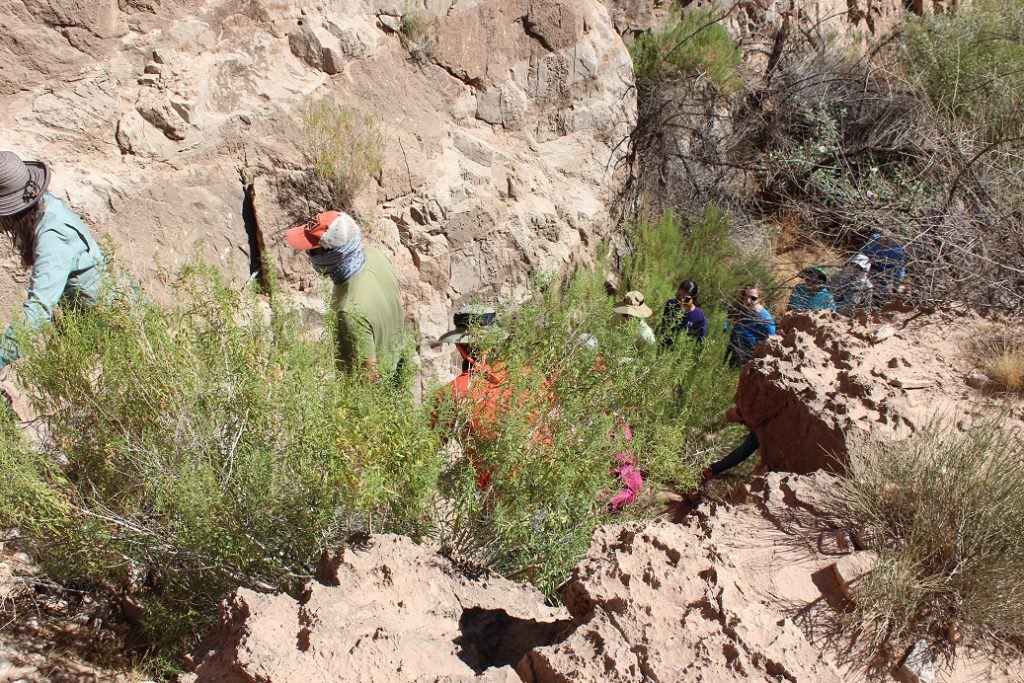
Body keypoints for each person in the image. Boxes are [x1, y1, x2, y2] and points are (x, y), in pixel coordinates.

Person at [0, 152, 105, 379]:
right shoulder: (45, 205)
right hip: (84, 319)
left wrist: (1, 357)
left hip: (113, 325)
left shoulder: (52, 238)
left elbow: (38, 309)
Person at [286, 211, 404, 381]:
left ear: (330, 256)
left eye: (311, 252)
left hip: (380, 393)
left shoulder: (348, 311)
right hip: (398, 360)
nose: (309, 257)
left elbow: (368, 380)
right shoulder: (374, 255)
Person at [701, 405, 758, 481]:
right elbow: (741, 453)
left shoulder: (763, 430)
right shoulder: (757, 433)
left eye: (742, 422)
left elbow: (742, 452)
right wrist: (713, 470)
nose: (746, 427)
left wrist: (713, 469)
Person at [725, 283, 775, 367]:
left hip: (747, 360)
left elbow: (770, 345)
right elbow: (725, 325)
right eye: (745, 296)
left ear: (760, 299)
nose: (748, 301)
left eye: (753, 298)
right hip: (729, 353)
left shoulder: (766, 320)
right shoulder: (736, 309)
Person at [860, 230, 906, 305]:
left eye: (886, 241)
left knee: (884, 291)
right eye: (881, 240)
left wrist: (897, 285)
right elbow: (863, 253)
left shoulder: (898, 251)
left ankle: (877, 305)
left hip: (885, 273)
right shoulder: (874, 239)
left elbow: (899, 269)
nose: (882, 243)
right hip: (870, 267)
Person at [658, 279, 707, 347]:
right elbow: (664, 327)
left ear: (694, 299)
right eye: (679, 297)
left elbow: (698, 344)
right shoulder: (671, 304)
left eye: (686, 299)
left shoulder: (700, 318)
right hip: (663, 348)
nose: (681, 302)